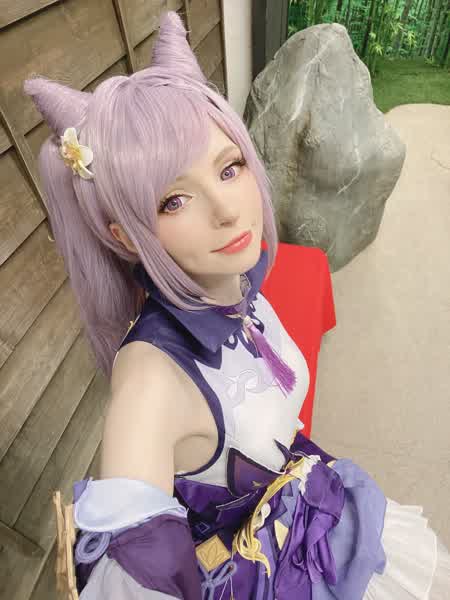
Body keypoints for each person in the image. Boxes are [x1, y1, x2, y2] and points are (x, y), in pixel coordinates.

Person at [24, 10, 450, 600]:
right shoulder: (149, 385)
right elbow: (133, 574)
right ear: (124, 237)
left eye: (229, 167)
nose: (227, 210)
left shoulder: (232, 281)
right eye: (173, 200)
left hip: (309, 511)